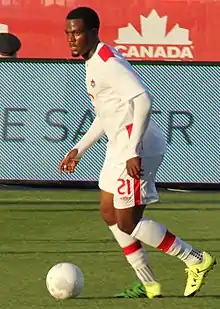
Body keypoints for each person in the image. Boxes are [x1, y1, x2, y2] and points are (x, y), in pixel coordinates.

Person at [59, 7, 216, 299]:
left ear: (93, 32)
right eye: (68, 32)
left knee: (128, 221)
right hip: (120, 145)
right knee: (109, 212)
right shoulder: (93, 60)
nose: (71, 38)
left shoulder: (107, 62)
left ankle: (195, 259)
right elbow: (106, 113)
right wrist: (79, 148)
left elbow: (143, 99)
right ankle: (149, 284)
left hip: (137, 146)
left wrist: (132, 150)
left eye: (77, 32)